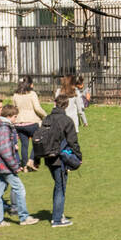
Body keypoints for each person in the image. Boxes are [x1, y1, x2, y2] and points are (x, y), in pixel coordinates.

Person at [0, 103, 37, 227]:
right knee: (19, 189)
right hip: (5, 166)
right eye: (15, 116)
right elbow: (5, 150)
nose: (16, 119)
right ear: (10, 116)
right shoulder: (4, 128)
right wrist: (14, 166)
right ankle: (24, 217)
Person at [37, 95, 82, 227]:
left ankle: (58, 213)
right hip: (59, 158)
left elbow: (40, 138)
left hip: (47, 156)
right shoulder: (67, 121)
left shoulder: (47, 118)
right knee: (60, 187)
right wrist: (78, 157)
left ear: (55, 103)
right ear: (66, 105)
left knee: (58, 185)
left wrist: (36, 158)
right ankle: (57, 219)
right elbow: (73, 141)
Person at [12, 77, 46, 171]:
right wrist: (45, 115)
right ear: (30, 84)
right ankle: (31, 161)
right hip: (31, 122)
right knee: (37, 141)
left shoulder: (15, 95)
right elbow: (37, 108)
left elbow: (14, 108)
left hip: (19, 123)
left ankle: (24, 166)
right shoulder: (32, 94)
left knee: (24, 145)